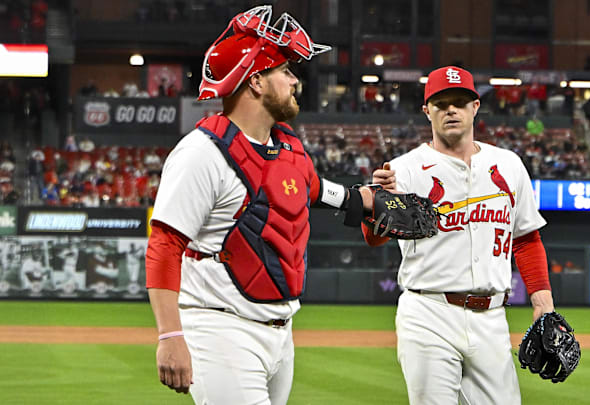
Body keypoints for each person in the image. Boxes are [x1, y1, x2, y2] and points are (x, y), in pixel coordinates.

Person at [145, 6, 395, 404]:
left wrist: (365, 199)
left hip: (282, 332)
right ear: (256, 82)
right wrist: (170, 335)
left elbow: (319, 192)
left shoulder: (289, 148)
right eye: (286, 71)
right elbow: (164, 243)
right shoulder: (201, 153)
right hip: (221, 329)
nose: (296, 80)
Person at [366, 66, 556, 404]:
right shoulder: (403, 169)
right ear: (427, 111)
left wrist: (543, 303)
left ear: (475, 107)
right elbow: (374, 238)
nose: (451, 109)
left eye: (459, 101)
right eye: (441, 103)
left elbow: (526, 239)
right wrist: (381, 204)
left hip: (492, 317)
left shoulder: (509, 164)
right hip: (429, 311)